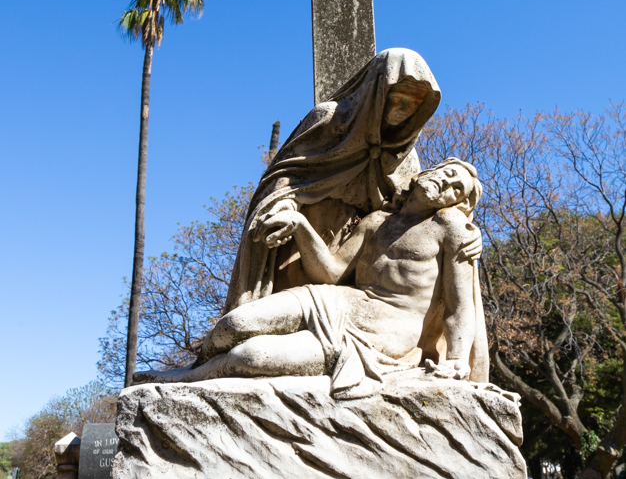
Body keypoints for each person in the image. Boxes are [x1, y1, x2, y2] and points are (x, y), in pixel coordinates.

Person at [137, 159, 488, 396]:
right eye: (448, 173)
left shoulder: (451, 229)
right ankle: (193, 369)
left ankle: (182, 382)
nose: (447, 184)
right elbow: (332, 273)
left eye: (457, 189)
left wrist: (457, 360)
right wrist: (301, 225)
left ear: (456, 203)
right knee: (234, 323)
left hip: (383, 332)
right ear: (429, 171)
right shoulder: (376, 222)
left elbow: (460, 306)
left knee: (254, 356)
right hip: (339, 301)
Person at [225, 48, 443, 311]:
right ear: (378, 90)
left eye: (415, 105)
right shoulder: (330, 119)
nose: (403, 110)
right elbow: (284, 179)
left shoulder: (404, 155)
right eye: (398, 99)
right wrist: (284, 207)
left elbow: (412, 213)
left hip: (357, 267)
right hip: (299, 246)